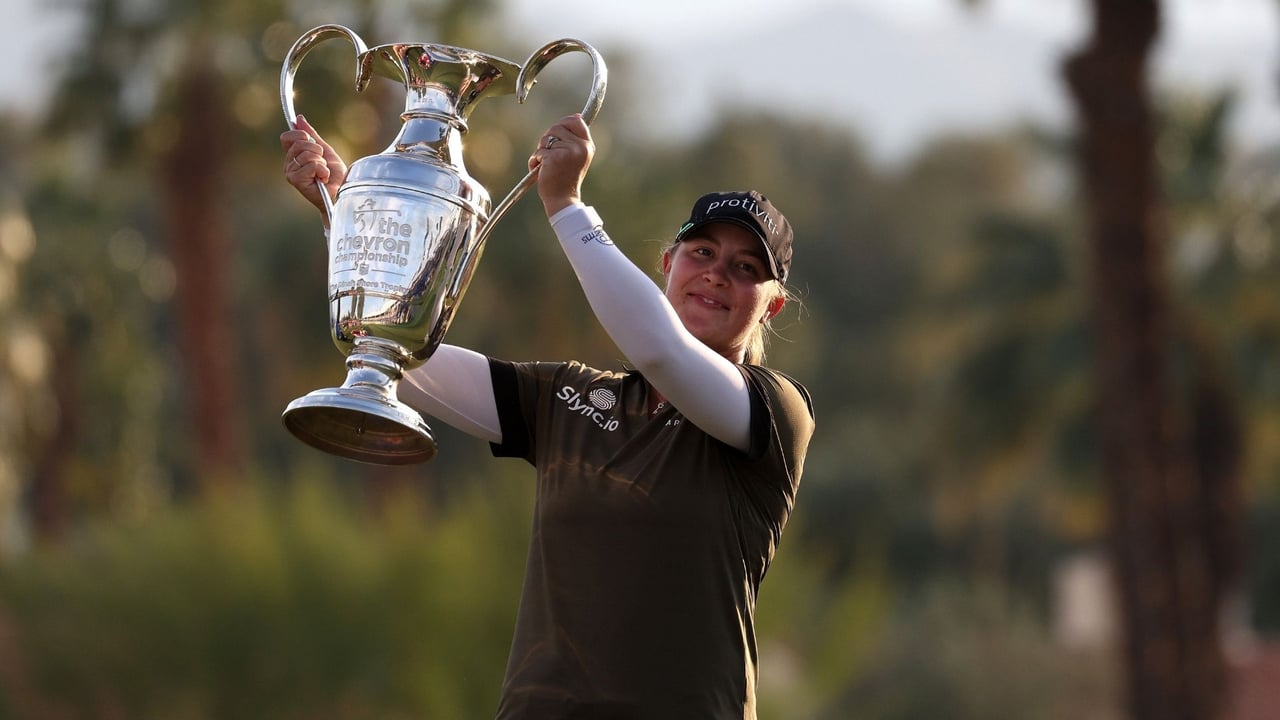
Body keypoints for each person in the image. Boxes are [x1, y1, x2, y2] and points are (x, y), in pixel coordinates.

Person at [281, 112, 815, 719]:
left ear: (771, 307)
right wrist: (348, 215)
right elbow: (394, 349)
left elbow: (660, 350)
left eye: (746, 269)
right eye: (703, 252)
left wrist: (567, 206)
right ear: (668, 264)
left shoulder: (773, 411)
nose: (717, 273)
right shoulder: (569, 397)